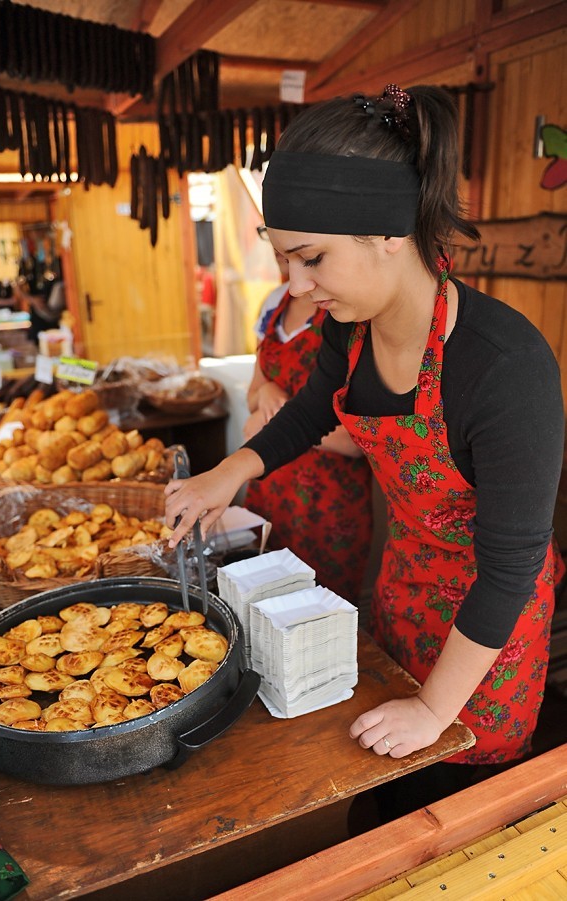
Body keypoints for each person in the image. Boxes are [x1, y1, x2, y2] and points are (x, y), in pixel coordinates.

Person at [165, 85, 564, 823]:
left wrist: (435, 709)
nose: (298, 288)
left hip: (488, 640)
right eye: (285, 261)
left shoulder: (504, 366)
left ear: (387, 228)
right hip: (403, 595)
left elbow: (510, 569)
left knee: (453, 826)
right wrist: (229, 473)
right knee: (376, 795)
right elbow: (312, 413)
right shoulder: (351, 331)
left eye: (311, 259)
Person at [242, 241, 373, 603]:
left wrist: (276, 424)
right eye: (270, 238)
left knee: (322, 614)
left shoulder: (349, 311)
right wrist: (266, 390)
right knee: (265, 605)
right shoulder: (273, 304)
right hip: (270, 489)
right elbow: (252, 395)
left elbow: (357, 440)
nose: (281, 254)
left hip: (329, 503)